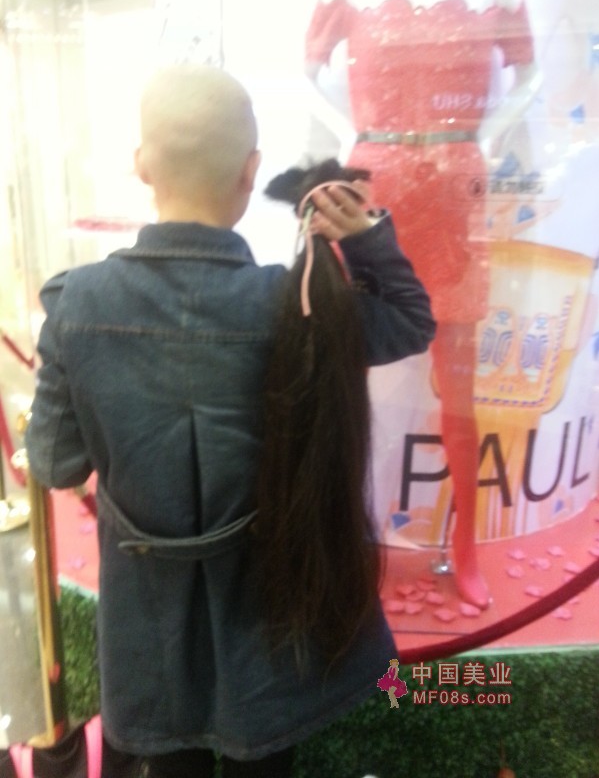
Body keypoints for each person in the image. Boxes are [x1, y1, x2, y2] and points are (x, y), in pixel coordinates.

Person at [25, 64, 435, 778]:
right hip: (270, 626)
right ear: (251, 172)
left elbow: (55, 464)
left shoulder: (77, 303)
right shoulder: (294, 306)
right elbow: (409, 321)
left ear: (142, 165)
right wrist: (367, 237)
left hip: (145, 632)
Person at [305, 0, 538, 608]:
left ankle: (466, 545)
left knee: (459, 390)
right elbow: (307, 72)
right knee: (344, 371)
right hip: (373, 186)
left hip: (454, 186)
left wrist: (489, 135)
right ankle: (338, 536)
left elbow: (530, 74)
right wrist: (347, 132)